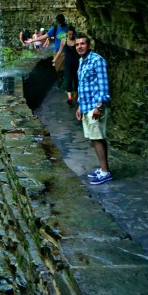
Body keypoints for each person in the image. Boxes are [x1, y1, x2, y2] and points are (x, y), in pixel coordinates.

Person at [75, 35, 112, 184]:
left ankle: (105, 171)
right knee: (95, 138)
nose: (79, 46)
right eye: (77, 44)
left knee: (97, 138)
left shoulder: (97, 60)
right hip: (86, 105)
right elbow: (83, 85)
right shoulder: (81, 61)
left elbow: (104, 85)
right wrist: (79, 105)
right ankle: (103, 169)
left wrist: (99, 106)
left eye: (82, 44)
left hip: (95, 107)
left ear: (89, 45)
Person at [54, 25, 78, 104]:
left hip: (76, 63)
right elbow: (60, 51)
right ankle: (69, 97)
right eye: (69, 34)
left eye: (72, 34)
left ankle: (76, 94)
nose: (71, 36)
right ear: (66, 33)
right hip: (67, 63)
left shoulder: (76, 41)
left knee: (76, 79)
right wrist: (55, 59)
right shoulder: (63, 41)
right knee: (68, 79)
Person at [46, 13, 69, 80]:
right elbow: (45, 36)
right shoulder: (55, 28)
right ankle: (61, 80)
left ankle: (65, 84)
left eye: (60, 21)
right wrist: (33, 40)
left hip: (67, 52)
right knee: (58, 69)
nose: (59, 22)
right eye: (58, 21)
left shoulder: (68, 28)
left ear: (63, 20)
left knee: (66, 69)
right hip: (57, 51)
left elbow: (74, 38)